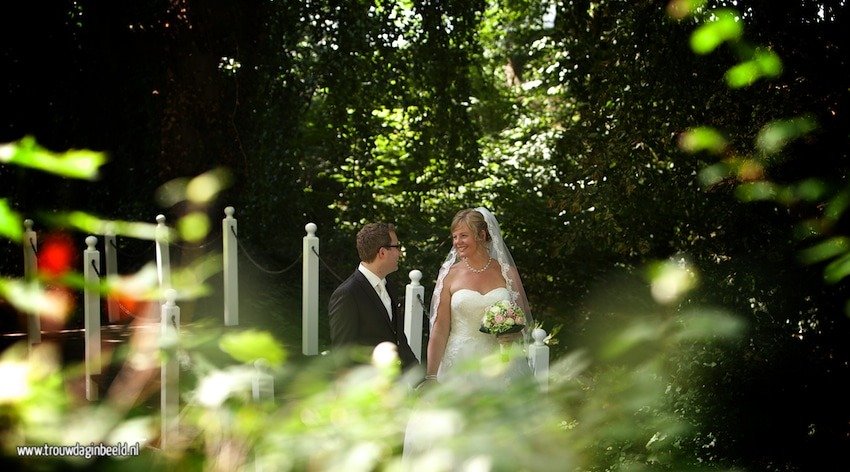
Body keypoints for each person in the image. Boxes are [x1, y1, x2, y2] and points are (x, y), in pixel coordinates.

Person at [424, 207, 533, 385]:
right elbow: (440, 329)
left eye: (464, 235)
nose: (457, 242)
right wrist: (431, 376)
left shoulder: (507, 272)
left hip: (501, 363)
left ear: (482, 236)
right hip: (460, 363)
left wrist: (514, 335)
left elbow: (523, 322)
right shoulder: (449, 275)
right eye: (455, 236)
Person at [328, 222, 419, 370]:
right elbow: (343, 356)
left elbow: (398, 340)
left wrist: (420, 379)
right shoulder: (347, 294)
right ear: (382, 252)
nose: (400, 253)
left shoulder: (389, 283)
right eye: (397, 247)